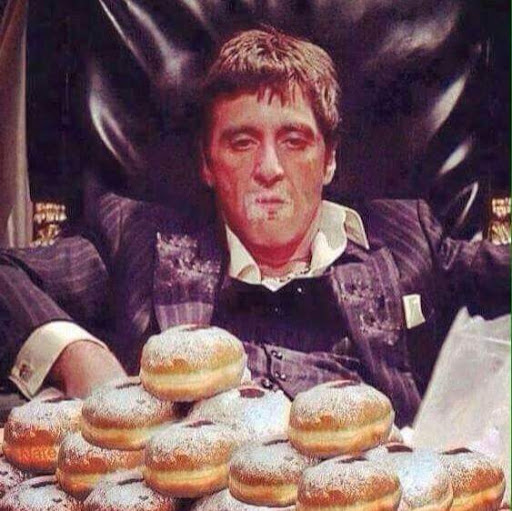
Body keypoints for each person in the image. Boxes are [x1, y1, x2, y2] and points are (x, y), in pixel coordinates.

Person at [0, 27, 508, 426]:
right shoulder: (133, 238)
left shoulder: (406, 239)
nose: (269, 168)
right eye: (242, 142)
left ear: (329, 159)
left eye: (294, 141)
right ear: (207, 163)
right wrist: (77, 356)